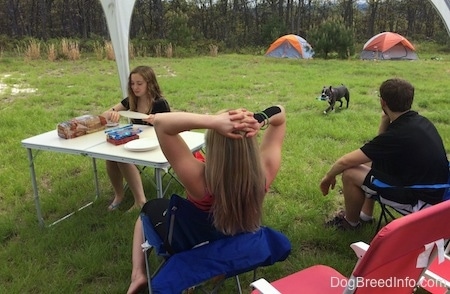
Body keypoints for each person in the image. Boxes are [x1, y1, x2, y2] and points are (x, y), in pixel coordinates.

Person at [126, 105, 286, 294]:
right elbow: (280, 114)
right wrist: (259, 118)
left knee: (148, 208)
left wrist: (212, 121)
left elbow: (161, 123)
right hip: (235, 238)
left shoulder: (200, 179)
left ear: (212, 144)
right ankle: (217, 267)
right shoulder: (264, 172)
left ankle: (138, 274)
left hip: (193, 241)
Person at [320, 78, 448, 230]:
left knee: (350, 172)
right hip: (439, 189)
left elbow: (344, 162)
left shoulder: (398, 134)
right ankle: (365, 215)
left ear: (383, 102)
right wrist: (384, 119)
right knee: (366, 162)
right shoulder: (420, 121)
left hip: (422, 200)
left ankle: (350, 223)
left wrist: (328, 177)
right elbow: (378, 151)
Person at [101, 66, 171, 211]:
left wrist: (157, 121)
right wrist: (112, 114)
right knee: (111, 157)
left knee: (122, 156)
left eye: (139, 83)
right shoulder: (130, 101)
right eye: (132, 84)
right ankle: (119, 195)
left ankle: (140, 201)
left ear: (149, 83)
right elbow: (104, 115)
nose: (135, 87)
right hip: (137, 143)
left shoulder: (159, 103)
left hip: (158, 145)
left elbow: (169, 126)